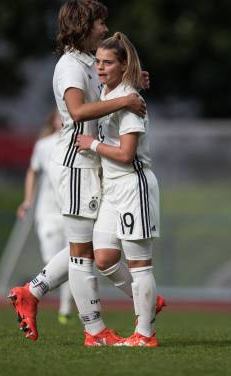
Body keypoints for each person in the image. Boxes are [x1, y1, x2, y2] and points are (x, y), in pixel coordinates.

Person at [8, 0, 148, 346]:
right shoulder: (70, 66)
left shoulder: (87, 61)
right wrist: (125, 101)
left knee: (88, 245)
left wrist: (131, 83)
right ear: (84, 25)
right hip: (76, 165)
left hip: (90, 164)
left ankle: (32, 291)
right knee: (82, 252)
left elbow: (101, 94)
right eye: (99, 22)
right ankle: (95, 331)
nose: (104, 28)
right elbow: (79, 110)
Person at [75, 32, 162, 347]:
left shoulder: (129, 101)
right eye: (98, 61)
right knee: (104, 258)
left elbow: (126, 154)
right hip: (112, 188)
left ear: (123, 66)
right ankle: (149, 305)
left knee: (141, 265)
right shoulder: (109, 92)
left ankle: (145, 335)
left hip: (133, 185)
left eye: (108, 62)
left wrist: (92, 144)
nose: (100, 67)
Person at [16, 111, 74, 325]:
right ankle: (32, 294)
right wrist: (27, 201)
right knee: (52, 262)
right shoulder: (44, 145)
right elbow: (32, 171)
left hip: (72, 211)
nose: (63, 119)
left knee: (75, 258)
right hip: (48, 213)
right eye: (60, 116)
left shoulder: (79, 142)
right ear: (53, 120)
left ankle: (66, 306)